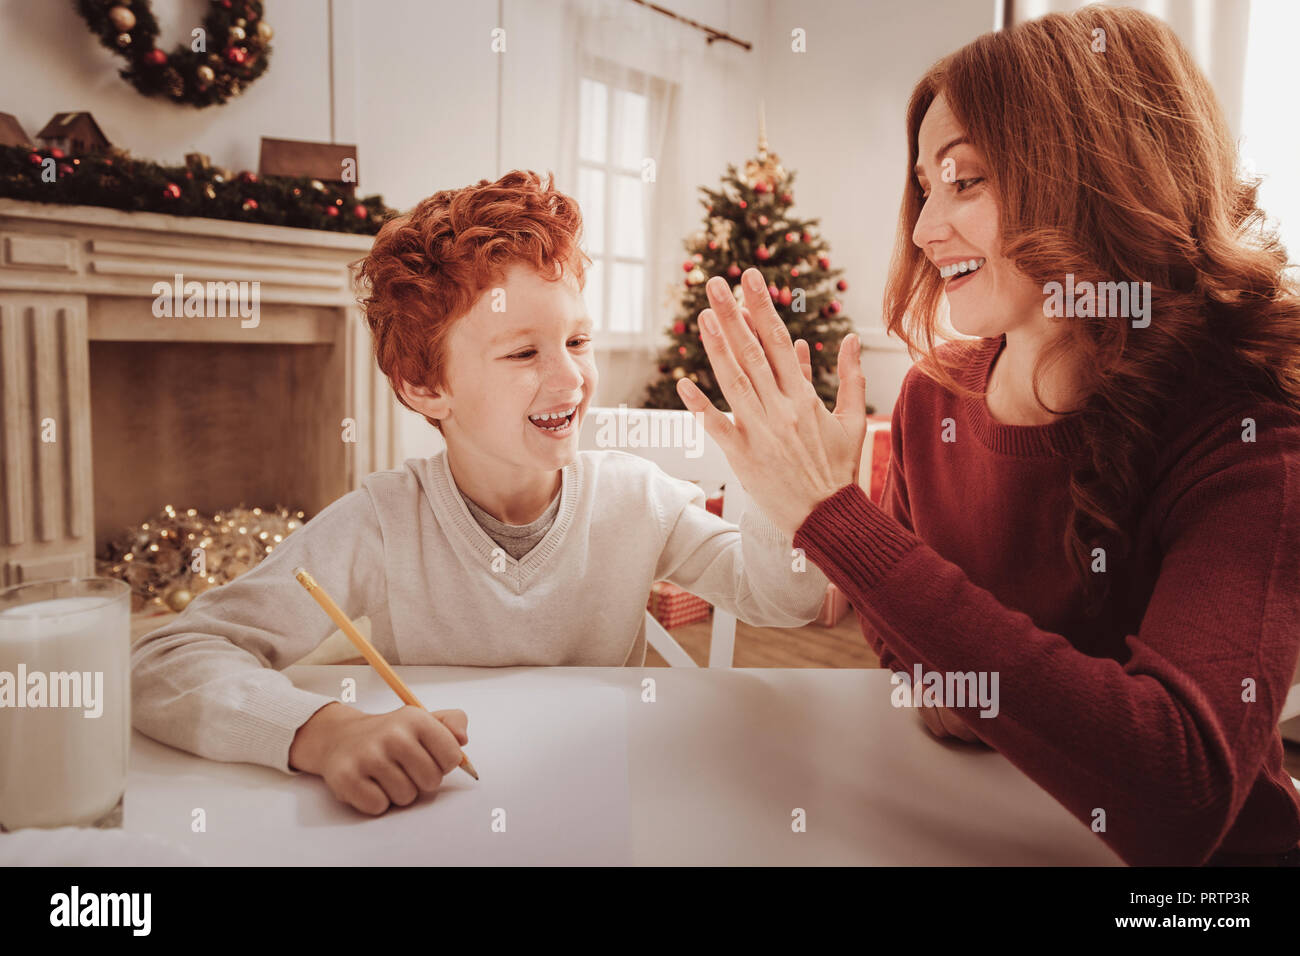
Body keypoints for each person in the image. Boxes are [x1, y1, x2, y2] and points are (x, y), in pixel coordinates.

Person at [676, 5, 1300, 867]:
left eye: (966, 181)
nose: (927, 229)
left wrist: (836, 518)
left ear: (1097, 173)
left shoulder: (1247, 439)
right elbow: (907, 643)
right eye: (926, 185)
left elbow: (1179, 794)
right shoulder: (934, 400)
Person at [131, 170, 828, 817]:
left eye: (578, 341)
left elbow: (784, 599)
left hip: (599, 804)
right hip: (440, 816)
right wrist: (325, 730)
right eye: (524, 353)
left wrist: (789, 497)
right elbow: (166, 662)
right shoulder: (382, 522)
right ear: (425, 387)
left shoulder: (634, 498)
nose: (570, 380)